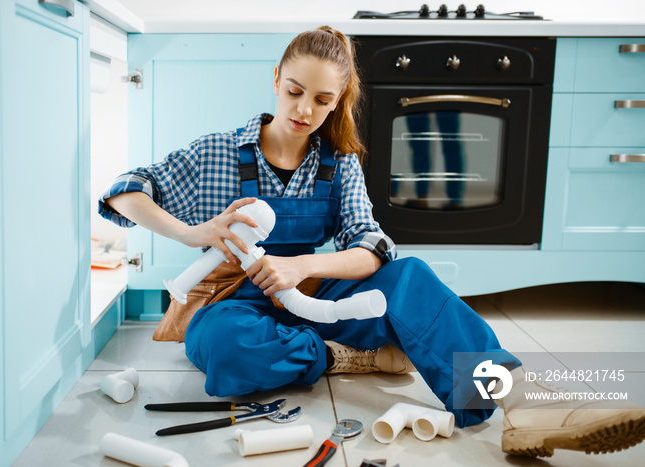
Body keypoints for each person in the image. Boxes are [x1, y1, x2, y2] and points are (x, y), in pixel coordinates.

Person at [99, 26, 645, 457]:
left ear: (337, 102)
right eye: (294, 91)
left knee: (409, 279)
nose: (304, 110)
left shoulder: (339, 164)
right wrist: (194, 232)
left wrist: (299, 268)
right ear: (275, 79)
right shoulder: (218, 151)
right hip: (238, 304)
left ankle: (520, 404)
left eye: (322, 99)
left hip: (318, 296)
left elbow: (373, 248)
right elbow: (125, 192)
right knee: (222, 347)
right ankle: (345, 360)